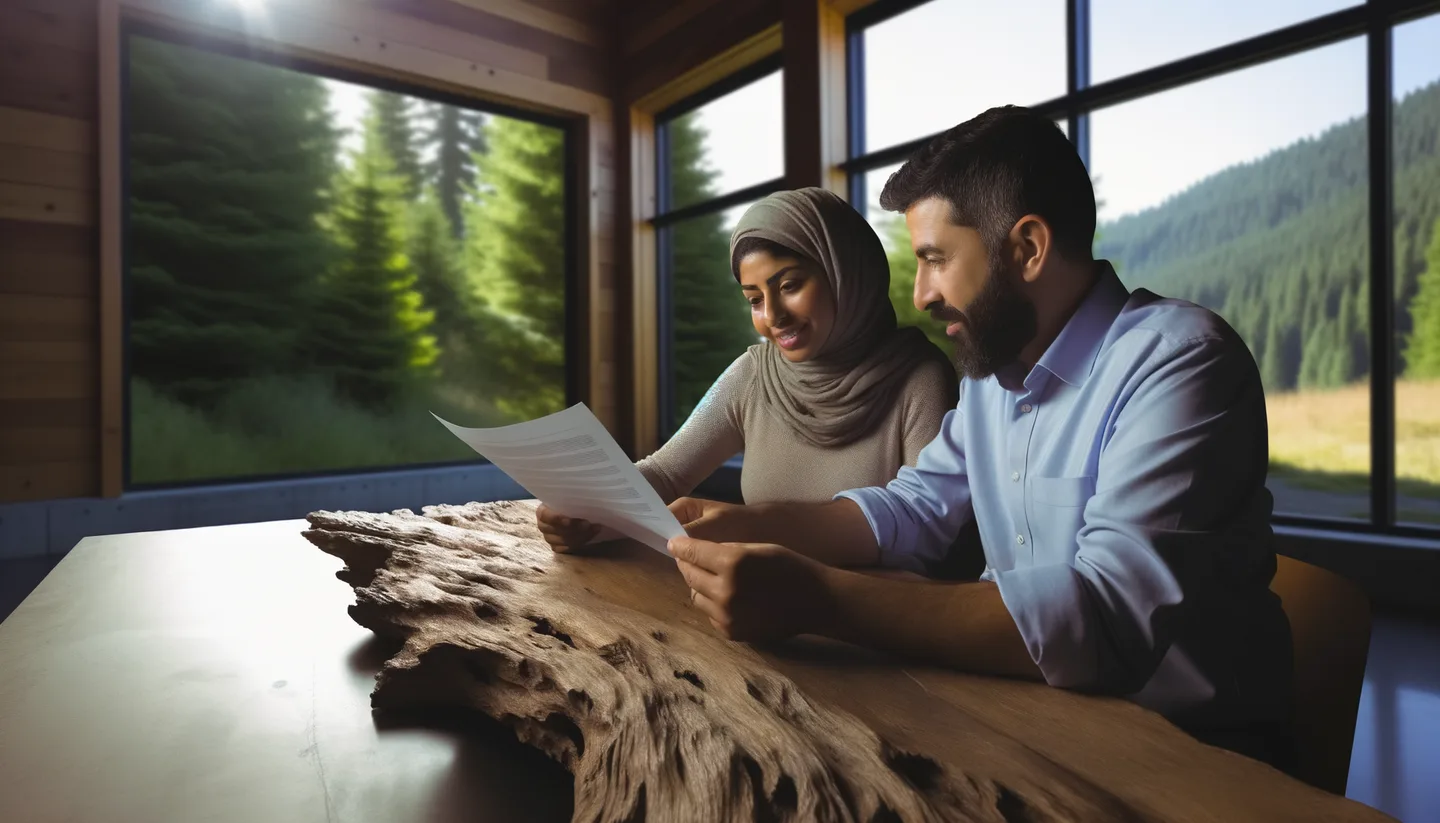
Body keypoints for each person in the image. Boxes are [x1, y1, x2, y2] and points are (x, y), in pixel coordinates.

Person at [665, 106, 1296, 769]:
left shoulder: (1181, 362)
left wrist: (819, 599)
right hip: (1027, 720)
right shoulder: (992, 378)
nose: (921, 294)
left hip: (1192, 758)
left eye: (935, 259)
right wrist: (746, 523)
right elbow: (913, 509)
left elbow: (1106, 617)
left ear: (1027, 249)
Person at [537, 187, 958, 551]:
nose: (772, 316)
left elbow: (928, 537)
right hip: (744, 601)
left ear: (846, 273)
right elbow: (666, 473)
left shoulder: (920, 378)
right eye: (754, 299)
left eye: (789, 286)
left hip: (867, 613)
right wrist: (585, 510)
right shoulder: (754, 375)